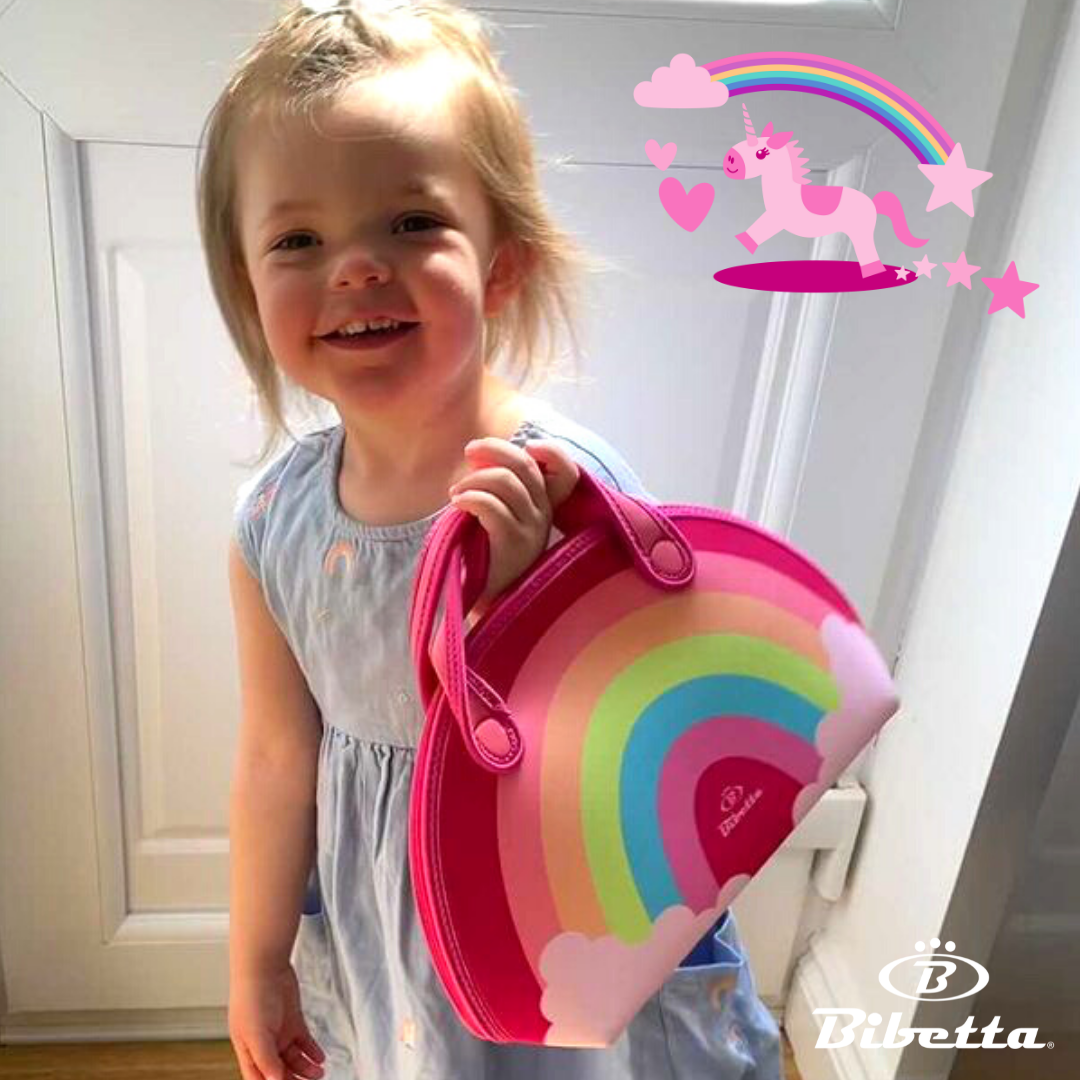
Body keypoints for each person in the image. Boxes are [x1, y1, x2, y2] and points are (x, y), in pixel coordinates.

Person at [199, 2, 785, 1077]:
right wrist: (255, 961)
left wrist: (514, 623)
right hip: (387, 942)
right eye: (298, 240)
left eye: (411, 222)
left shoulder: (571, 496)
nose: (356, 267)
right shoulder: (274, 523)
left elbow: (646, 770)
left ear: (502, 264)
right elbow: (278, 759)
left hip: (554, 926)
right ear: (248, 282)